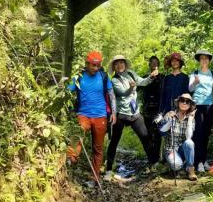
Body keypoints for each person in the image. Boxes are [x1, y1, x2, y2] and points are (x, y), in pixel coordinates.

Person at [104, 54, 159, 179]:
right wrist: (131, 88)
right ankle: (108, 169)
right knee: (114, 141)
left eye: (121, 63)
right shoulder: (114, 80)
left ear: (125, 64)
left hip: (135, 113)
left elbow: (143, 82)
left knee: (145, 137)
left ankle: (154, 163)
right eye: (116, 64)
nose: (119, 65)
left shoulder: (131, 73)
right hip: (121, 114)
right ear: (114, 67)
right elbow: (123, 93)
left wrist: (151, 76)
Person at [66, 51, 116, 187]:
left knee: (98, 148)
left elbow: (111, 95)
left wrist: (114, 113)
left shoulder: (104, 76)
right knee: (78, 133)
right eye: (93, 65)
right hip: (83, 114)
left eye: (98, 65)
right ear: (87, 64)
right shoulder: (79, 77)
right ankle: (71, 158)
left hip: (100, 116)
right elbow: (67, 91)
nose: (96, 68)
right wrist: (62, 87)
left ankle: (94, 178)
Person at [189, 49, 213, 173]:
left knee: (206, 133)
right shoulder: (195, 73)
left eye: (206, 58)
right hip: (197, 105)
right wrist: (195, 82)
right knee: (198, 133)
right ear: (199, 60)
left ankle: (204, 160)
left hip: (210, 105)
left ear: (209, 60)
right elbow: (190, 88)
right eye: (202, 58)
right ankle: (198, 162)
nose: (204, 60)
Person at [158, 93, 197, 181]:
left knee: (189, 143)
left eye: (187, 102)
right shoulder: (170, 114)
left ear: (190, 105)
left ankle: (190, 169)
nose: (184, 103)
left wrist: (190, 120)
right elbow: (162, 130)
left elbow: (189, 137)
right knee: (177, 165)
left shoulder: (191, 118)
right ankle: (177, 166)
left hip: (182, 149)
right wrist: (170, 121)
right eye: (182, 100)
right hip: (170, 149)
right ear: (178, 102)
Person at [141, 55, 164, 165]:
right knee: (148, 135)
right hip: (147, 110)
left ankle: (157, 158)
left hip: (158, 110)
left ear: (158, 65)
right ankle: (151, 159)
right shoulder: (145, 78)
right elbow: (137, 89)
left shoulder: (163, 78)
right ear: (149, 65)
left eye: (156, 63)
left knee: (158, 134)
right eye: (152, 63)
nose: (154, 64)